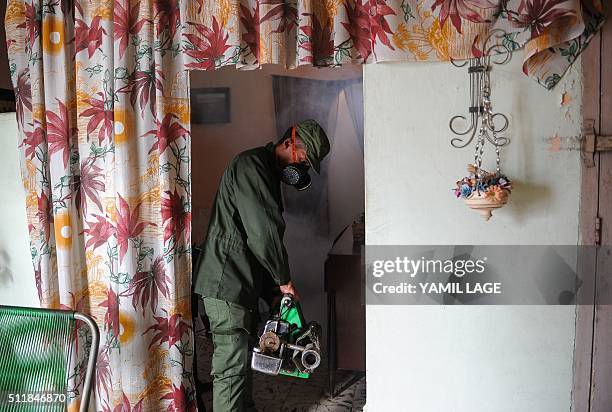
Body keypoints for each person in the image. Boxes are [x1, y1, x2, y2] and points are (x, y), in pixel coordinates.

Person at [194, 119, 330, 411]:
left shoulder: (267, 172)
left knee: (242, 362)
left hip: (241, 282)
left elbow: (262, 240)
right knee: (231, 369)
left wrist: (274, 293)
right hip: (226, 281)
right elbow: (263, 234)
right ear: (289, 142)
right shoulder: (251, 166)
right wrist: (284, 281)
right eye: (304, 160)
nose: (302, 169)